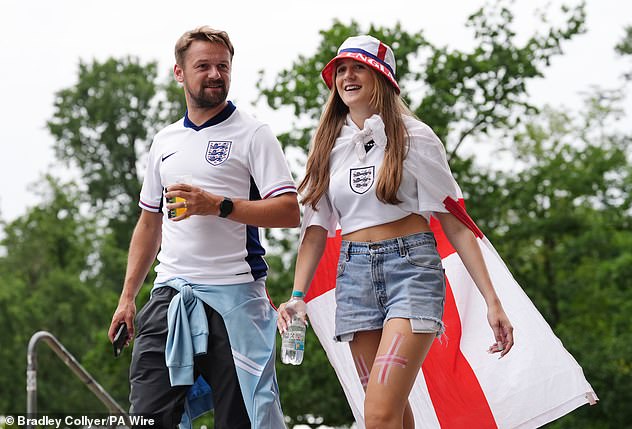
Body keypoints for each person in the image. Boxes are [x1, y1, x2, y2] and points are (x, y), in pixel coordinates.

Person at [277, 35, 514, 429]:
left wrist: (493, 301)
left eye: (359, 67)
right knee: (393, 413)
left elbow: (455, 222)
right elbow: (315, 230)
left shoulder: (415, 137)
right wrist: (297, 296)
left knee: (378, 414)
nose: (347, 75)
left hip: (411, 270)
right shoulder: (326, 145)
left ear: (381, 77)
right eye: (341, 68)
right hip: (353, 277)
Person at [108, 26, 299, 429]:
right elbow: (149, 221)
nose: (216, 74)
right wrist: (128, 298)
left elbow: (288, 211)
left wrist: (217, 206)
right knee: (147, 415)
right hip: (170, 293)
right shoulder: (165, 140)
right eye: (204, 66)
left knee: (242, 419)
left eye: (223, 66)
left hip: (237, 298)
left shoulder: (254, 133)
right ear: (179, 73)